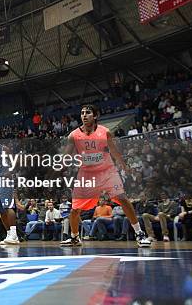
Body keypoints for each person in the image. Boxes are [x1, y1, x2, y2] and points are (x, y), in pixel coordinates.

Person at [60, 105, 152, 248]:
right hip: (86, 175)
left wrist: (124, 166)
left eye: (88, 113)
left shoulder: (105, 132)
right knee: (75, 210)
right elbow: (66, 155)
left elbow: (114, 151)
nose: (84, 115)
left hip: (107, 171)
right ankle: (74, 237)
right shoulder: (73, 135)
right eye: (82, 113)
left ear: (95, 116)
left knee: (123, 199)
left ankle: (139, 234)